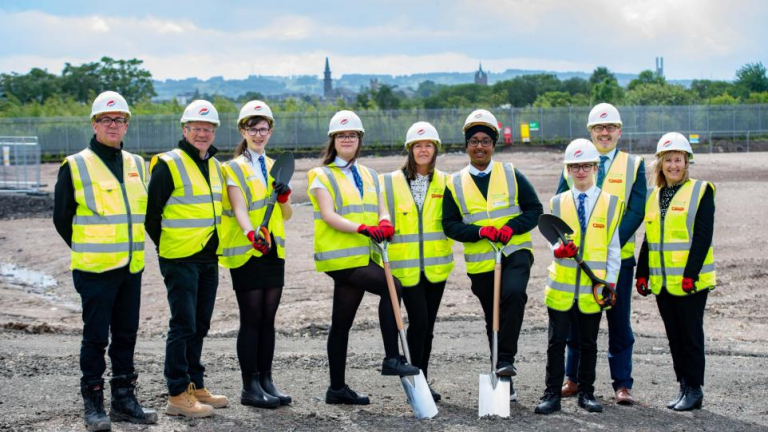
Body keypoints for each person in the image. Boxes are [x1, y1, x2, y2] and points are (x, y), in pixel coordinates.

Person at [53, 91, 157, 431]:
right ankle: (94, 405)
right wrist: (89, 246)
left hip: (131, 268)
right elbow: (62, 218)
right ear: (95, 124)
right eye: (107, 120)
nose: (114, 125)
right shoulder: (77, 164)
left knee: (126, 335)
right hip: (95, 270)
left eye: (120, 120)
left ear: (127, 125)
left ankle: (124, 400)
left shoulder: (137, 165)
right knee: (96, 338)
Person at [308, 110, 420, 406]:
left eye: (353, 135)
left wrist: (383, 222)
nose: (348, 140)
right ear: (333, 140)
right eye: (342, 135)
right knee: (392, 285)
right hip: (339, 257)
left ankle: (336, 389)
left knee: (342, 322)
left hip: (361, 255)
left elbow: (381, 207)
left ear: (360, 140)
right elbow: (330, 215)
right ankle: (391, 357)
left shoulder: (370, 175)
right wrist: (363, 228)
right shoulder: (320, 175)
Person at [442, 109, 543, 401]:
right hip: (482, 262)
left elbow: (534, 210)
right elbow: (450, 225)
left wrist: (511, 228)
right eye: (474, 140)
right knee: (493, 317)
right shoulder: (455, 183)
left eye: (486, 140)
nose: (479, 146)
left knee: (513, 294)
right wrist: (480, 232)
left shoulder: (511, 173)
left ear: (494, 144)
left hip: (515, 252)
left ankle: (504, 362)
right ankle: (502, 377)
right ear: (466, 145)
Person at [558, 103, 646, 405]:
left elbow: (637, 209)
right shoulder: (573, 162)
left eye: (609, 128)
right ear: (591, 131)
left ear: (619, 131)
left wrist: (608, 240)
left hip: (617, 260)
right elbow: (561, 205)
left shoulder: (634, 165)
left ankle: (622, 384)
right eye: (599, 128)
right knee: (577, 321)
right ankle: (573, 379)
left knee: (618, 322)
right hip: (579, 263)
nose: (604, 132)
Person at [145, 100, 228, 418]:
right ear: (185, 129)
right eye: (197, 128)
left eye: (208, 128)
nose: (203, 133)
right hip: (179, 258)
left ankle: (195, 383)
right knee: (182, 325)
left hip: (208, 258)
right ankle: (178, 394)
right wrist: (167, 247)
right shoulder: (169, 164)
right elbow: (152, 215)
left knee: (200, 324)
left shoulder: (214, 166)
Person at [535, 139, 624, 415]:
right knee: (556, 343)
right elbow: (552, 239)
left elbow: (613, 249)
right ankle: (552, 394)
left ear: (596, 167)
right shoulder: (557, 202)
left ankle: (586, 392)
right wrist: (558, 250)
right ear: (568, 170)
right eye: (575, 166)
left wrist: (609, 284)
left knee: (588, 343)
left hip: (591, 289)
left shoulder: (611, 204)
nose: (581, 171)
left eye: (586, 165)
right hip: (561, 288)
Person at [219, 100, 293, 408]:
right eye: (252, 128)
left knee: (268, 320)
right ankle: (249, 386)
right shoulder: (233, 167)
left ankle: (266, 380)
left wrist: (285, 195)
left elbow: (286, 214)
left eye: (263, 129)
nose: (258, 134)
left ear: (270, 131)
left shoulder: (274, 166)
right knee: (251, 319)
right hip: (248, 250)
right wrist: (252, 235)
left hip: (273, 249)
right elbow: (238, 209)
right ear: (242, 130)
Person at [635, 132, 715, 411]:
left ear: (687, 161)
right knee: (674, 336)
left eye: (678, 160)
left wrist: (691, 274)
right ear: (660, 163)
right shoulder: (654, 195)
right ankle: (683, 387)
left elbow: (703, 237)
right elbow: (649, 237)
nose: (673, 165)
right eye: (668, 160)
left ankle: (695, 389)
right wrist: (641, 273)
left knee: (691, 336)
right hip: (662, 281)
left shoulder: (701, 190)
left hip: (690, 281)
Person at [379, 121, 455, 402]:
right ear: (409, 150)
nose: (423, 150)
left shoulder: (448, 182)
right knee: (419, 322)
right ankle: (413, 381)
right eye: (418, 146)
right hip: (404, 267)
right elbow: (378, 213)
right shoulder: (388, 181)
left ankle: (420, 382)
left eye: (428, 145)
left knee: (428, 327)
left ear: (436, 149)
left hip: (435, 267)